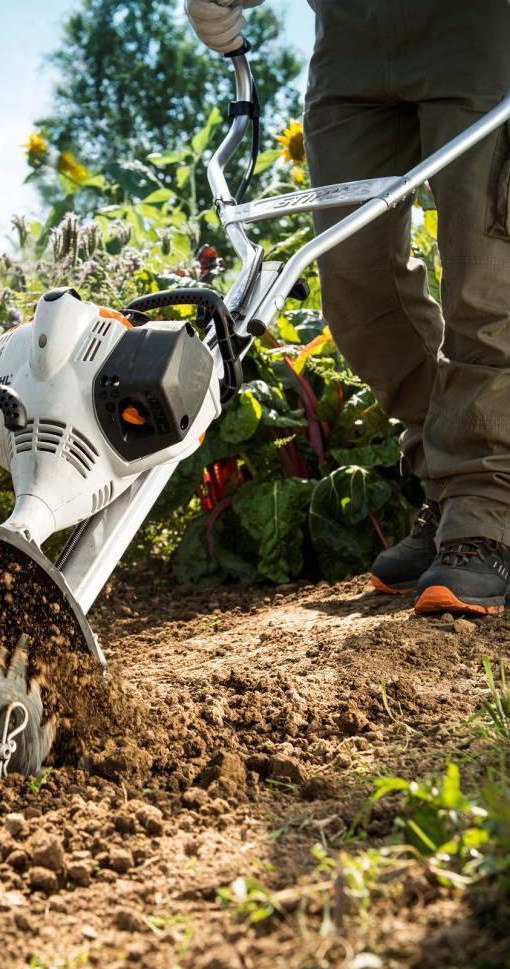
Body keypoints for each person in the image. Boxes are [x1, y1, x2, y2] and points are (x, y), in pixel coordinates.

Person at [186, 0, 510, 617]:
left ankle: (486, 508)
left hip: (478, 25)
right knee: (357, 287)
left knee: (486, 280)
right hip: (351, 38)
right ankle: (450, 489)